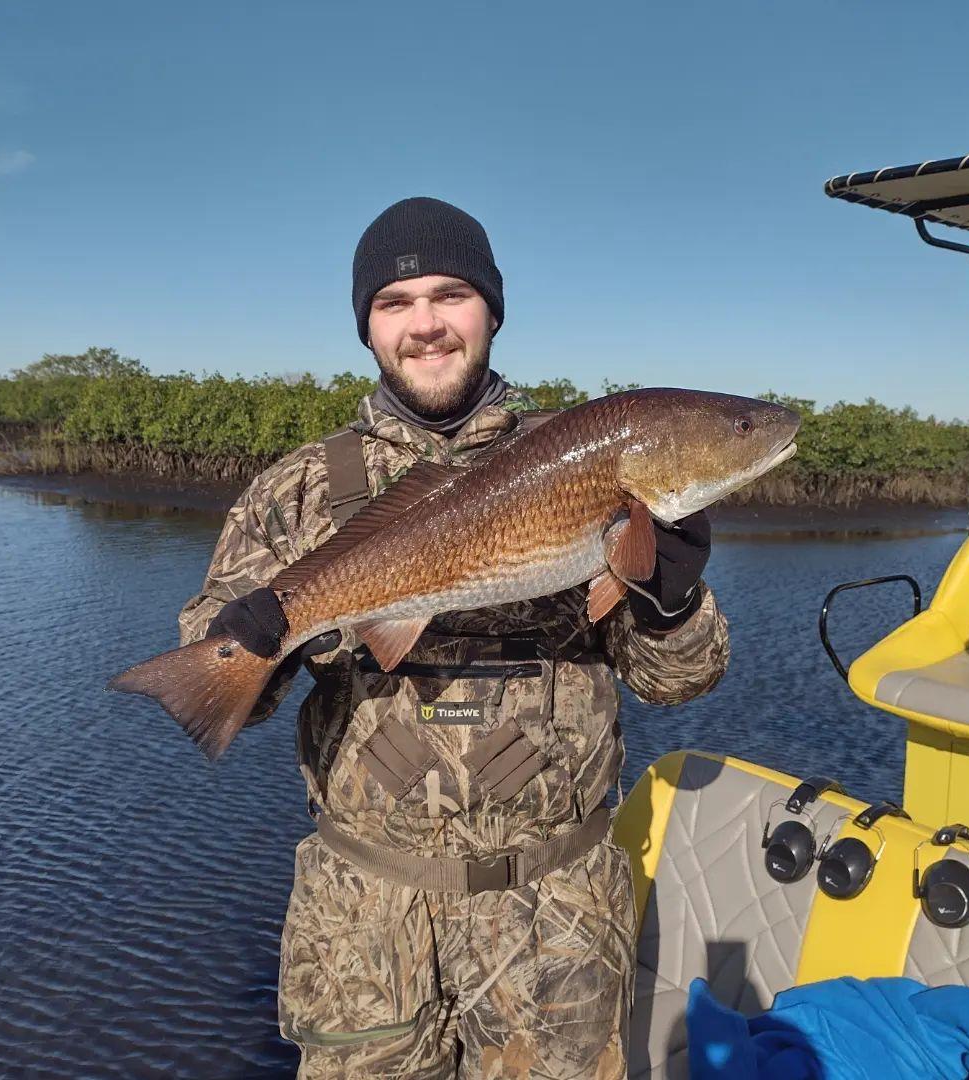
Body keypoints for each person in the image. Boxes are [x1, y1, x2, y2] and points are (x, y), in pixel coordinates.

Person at [178, 197, 730, 1079]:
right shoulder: (297, 490)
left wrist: (668, 598)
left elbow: (680, 683)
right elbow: (224, 695)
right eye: (395, 303)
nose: (426, 324)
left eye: (451, 296)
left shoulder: (582, 450)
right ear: (366, 326)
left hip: (560, 922)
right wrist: (258, 644)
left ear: (492, 312)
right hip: (362, 929)